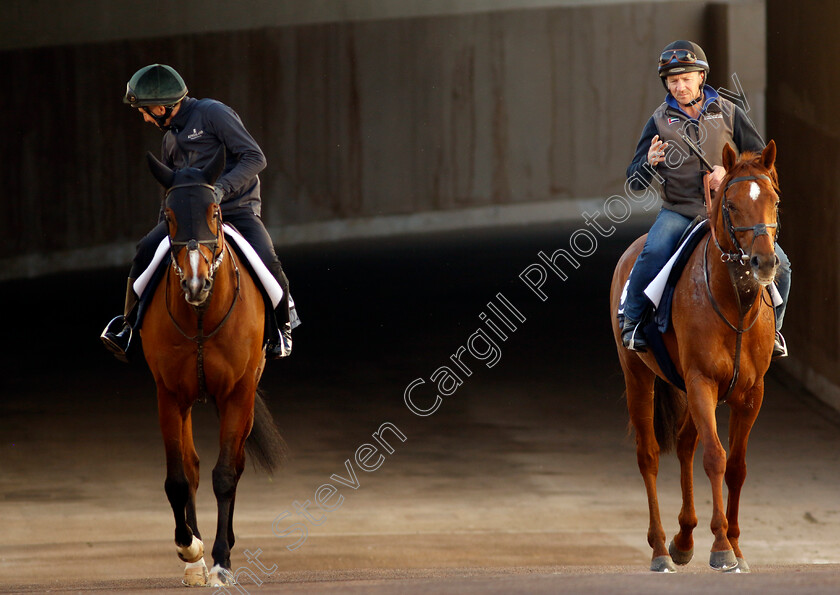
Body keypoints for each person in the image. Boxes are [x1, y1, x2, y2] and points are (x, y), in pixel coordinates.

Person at [101, 64, 295, 361]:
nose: (142, 116)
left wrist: (221, 189)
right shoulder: (169, 140)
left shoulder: (213, 114)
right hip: (191, 219)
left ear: (162, 106)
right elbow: (170, 194)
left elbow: (255, 157)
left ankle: (282, 327)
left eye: (144, 109)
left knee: (265, 257)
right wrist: (163, 224)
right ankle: (127, 326)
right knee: (145, 252)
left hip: (235, 208)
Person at [623, 41, 790, 357]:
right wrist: (649, 161)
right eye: (673, 80)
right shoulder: (658, 121)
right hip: (681, 210)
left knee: (783, 264)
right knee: (654, 252)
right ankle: (632, 322)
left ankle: (774, 330)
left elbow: (758, 160)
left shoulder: (729, 111)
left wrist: (728, 173)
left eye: (686, 78)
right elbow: (634, 181)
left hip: (730, 212)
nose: (680, 86)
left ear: (701, 77)